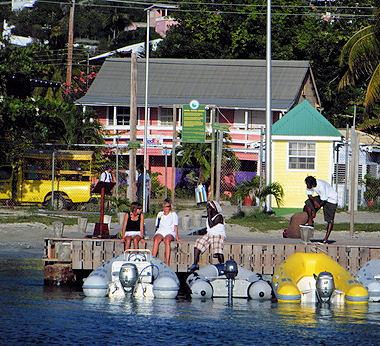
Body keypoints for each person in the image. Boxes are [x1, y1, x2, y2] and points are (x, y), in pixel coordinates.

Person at [188, 200, 226, 272]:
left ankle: (222, 265)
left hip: (218, 234)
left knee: (217, 249)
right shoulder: (209, 217)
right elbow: (208, 228)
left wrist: (208, 214)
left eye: (209, 207)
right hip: (210, 234)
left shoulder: (219, 216)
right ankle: (195, 264)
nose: (207, 208)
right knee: (198, 243)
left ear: (214, 208)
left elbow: (211, 225)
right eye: (207, 207)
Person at [303, 176, 338, 244]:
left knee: (329, 220)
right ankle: (310, 221)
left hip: (331, 199)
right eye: (306, 184)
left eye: (308, 185)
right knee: (308, 204)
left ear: (312, 184)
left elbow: (324, 200)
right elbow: (309, 195)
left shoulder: (321, 186)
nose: (307, 186)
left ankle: (325, 239)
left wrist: (316, 209)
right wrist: (314, 202)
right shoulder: (309, 185)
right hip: (322, 197)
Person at [152, 199, 182, 265]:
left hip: (170, 232)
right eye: (165, 206)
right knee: (156, 239)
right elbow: (157, 225)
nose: (166, 208)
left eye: (168, 206)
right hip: (161, 231)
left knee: (167, 240)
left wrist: (177, 237)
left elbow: (175, 226)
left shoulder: (173, 214)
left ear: (170, 207)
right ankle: (153, 259)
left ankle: (167, 262)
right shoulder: (160, 214)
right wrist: (154, 234)